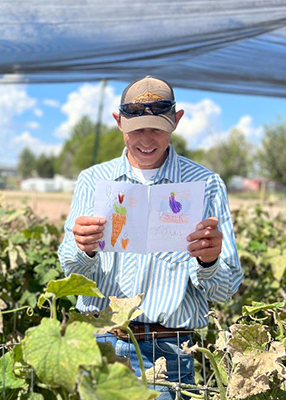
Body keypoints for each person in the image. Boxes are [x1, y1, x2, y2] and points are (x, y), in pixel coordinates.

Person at [58, 76, 243, 397]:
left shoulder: (205, 184)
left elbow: (225, 290)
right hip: (101, 346)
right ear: (119, 122)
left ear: (176, 120)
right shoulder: (92, 181)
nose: (146, 139)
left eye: (157, 127)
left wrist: (209, 260)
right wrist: (83, 249)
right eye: (136, 128)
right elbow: (71, 272)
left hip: (170, 352)